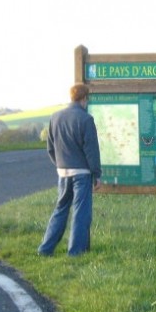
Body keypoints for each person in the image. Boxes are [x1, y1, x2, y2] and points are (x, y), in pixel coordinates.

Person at [38, 83, 102, 256]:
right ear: (84, 99)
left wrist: (59, 164)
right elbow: (91, 150)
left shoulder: (55, 117)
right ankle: (76, 252)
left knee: (61, 209)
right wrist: (97, 174)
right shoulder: (86, 119)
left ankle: (45, 248)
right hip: (82, 173)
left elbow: (50, 147)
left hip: (63, 171)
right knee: (81, 213)